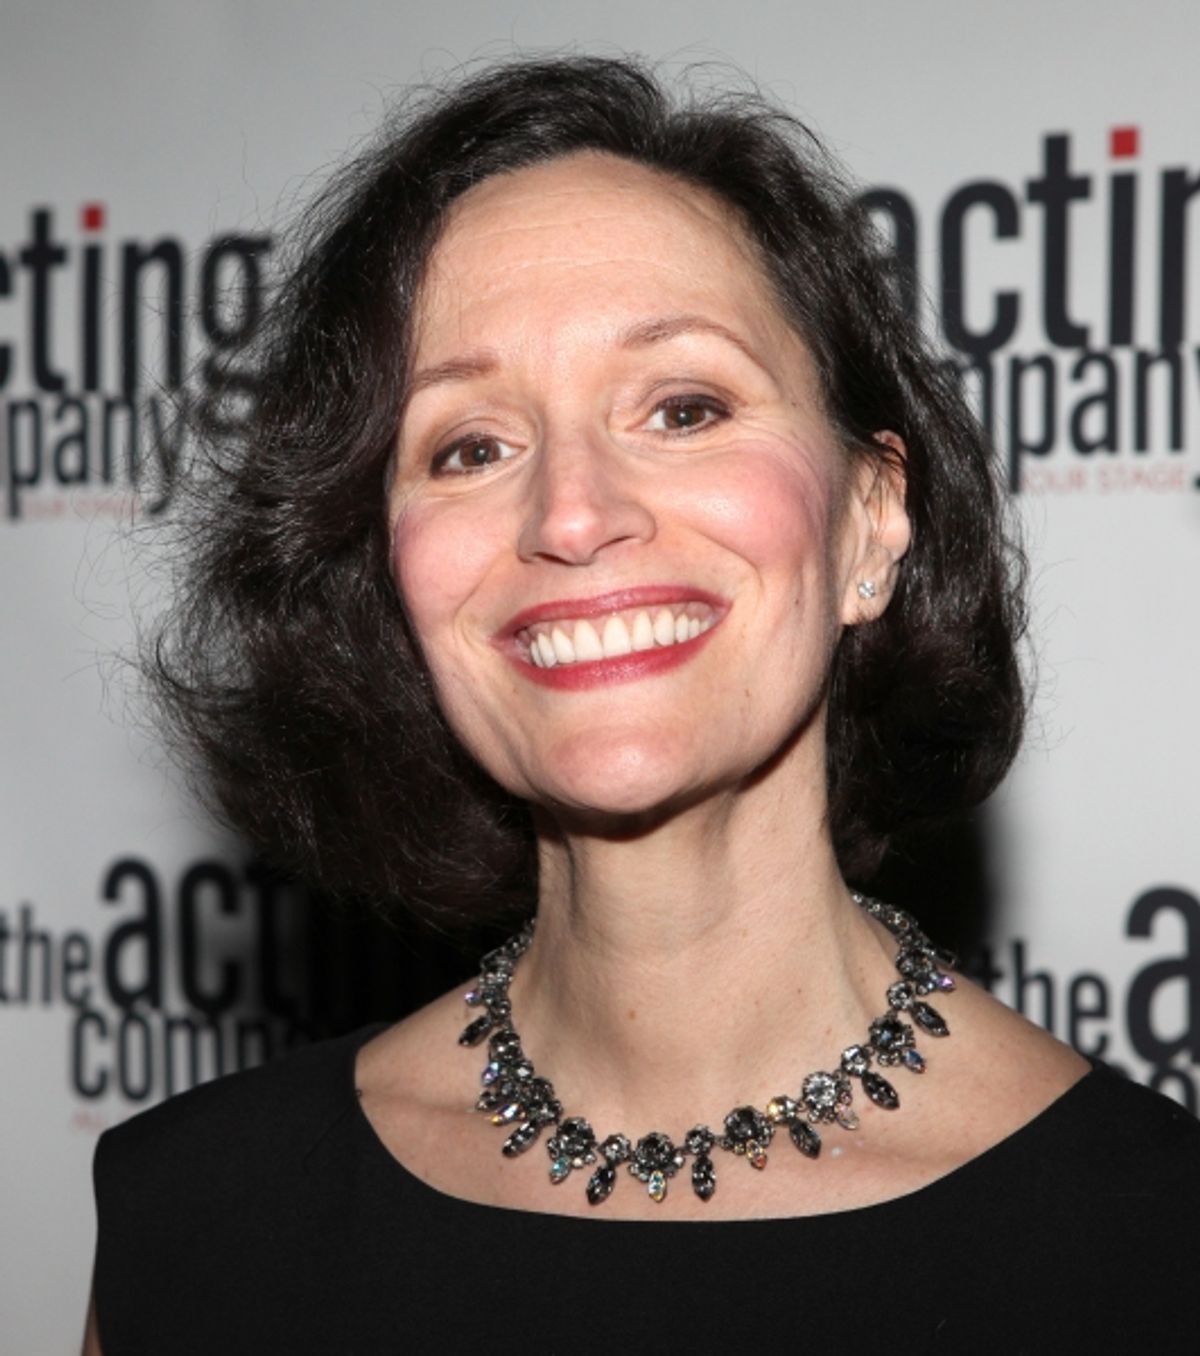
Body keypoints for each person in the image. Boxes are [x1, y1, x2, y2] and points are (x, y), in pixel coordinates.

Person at [84, 55, 1199, 1353]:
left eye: (683, 407)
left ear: (872, 519)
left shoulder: (1154, 1247)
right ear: (387, 571)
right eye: (470, 446)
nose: (570, 514)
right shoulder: (201, 1223)